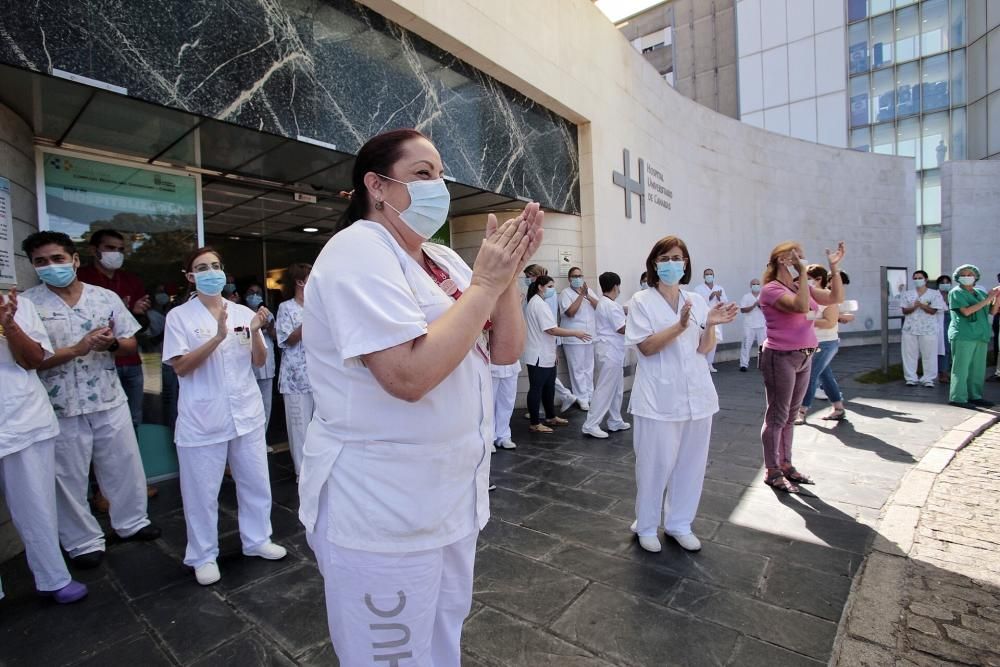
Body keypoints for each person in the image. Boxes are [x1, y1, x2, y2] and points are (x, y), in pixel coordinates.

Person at [298, 128, 543, 664]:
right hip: (383, 507)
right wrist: (485, 285)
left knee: (439, 640)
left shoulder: (445, 260)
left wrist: (505, 280)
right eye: (422, 174)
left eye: (440, 175)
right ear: (376, 185)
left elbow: (504, 353)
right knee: (391, 653)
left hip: (450, 498)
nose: (439, 187)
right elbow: (405, 376)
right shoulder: (358, 250)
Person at [21, 231, 160, 568]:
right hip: (60, 405)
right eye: (41, 262)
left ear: (75, 260)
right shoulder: (29, 305)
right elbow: (32, 359)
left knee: (123, 463)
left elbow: (130, 344)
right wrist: (78, 348)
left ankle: (132, 522)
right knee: (68, 477)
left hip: (108, 396)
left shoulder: (105, 298)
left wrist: (110, 345)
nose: (50, 266)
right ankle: (83, 542)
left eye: (57, 259)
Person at [162, 247, 287, 586]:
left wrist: (258, 330)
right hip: (204, 417)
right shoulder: (180, 318)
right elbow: (182, 367)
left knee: (256, 482)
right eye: (202, 268)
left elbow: (258, 362)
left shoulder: (242, 312)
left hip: (245, 412)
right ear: (190, 277)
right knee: (201, 492)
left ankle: (258, 540)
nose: (211, 272)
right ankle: (203, 555)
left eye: (216, 265)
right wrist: (217, 337)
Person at [626, 236, 737, 553]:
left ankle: (679, 523)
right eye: (665, 258)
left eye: (677, 258)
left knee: (691, 465)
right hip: (657, 399)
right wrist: (680, 325)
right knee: (653, 465)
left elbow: (703, 348)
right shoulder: (641, 301)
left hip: (698, 396)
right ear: (654, 264)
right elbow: (645, 347)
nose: (672, 264)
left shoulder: (698, 301)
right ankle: (646, 525)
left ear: (686, 263)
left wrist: (711, 324)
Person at [0, 289, 88, 604]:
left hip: (22, 418)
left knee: (35, 505)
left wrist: (9, 325)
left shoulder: (18, 305)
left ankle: (53, 578)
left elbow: (34, 360)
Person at [758, 240, 845, 494]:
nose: (801, 260)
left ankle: (786, 464)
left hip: (805, 354)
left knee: (791, 414)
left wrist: (834, 269)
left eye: (802, 256)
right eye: (796, 256)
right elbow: (800, 306)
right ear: (782, 260)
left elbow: (835, 297)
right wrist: (805, 274)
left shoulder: (800, 285)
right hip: (780, 356)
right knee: (777, 415)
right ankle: (772, 470)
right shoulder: (771, 290)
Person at [76, 229, 152, 430]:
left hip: (131, 361)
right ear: (94, 250)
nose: (116, 253)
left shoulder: (131, 281)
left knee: (133, 419)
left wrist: (135, 313)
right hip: (97, 363)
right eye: (110, 248)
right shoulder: (80, 280)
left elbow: (142, 326)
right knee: (103, 423)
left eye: (120, 249)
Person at [524, 275, 590, 432]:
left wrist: (553, 352)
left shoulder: (540, 303)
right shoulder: (538, 304)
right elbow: (551, 329)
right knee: (536, 388)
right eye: (550, 286)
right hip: (538, 355)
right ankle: (535, 423)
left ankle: (550, 417)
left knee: (549, 387)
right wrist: (575, 333)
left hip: (546, 353)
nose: (552, 290)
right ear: (540, 287)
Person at [276, 263, 314, 477]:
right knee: (299, 428)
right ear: (300, 281)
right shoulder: (286, 308)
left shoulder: (318, 305)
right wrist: (306, 322)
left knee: (319, 426)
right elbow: (286, 339)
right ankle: (302, 473)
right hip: (295, 379)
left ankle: (317, 469)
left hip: (317, 376)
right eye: (310, 277)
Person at [582, 272, 630, 439]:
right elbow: (621, 328)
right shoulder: (610, 305)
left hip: (610, 351)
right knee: (605, 389)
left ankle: (615, 420)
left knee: (616, 389)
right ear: (616, 286)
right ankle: (590, 424)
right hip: (610, 352)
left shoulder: (605, 302)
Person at [797, 265, 848, 423]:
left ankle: (801, 411)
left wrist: (807, 320)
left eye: (809, 278)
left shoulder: (827, 297)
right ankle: (838, 408)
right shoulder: (808, 297)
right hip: (813, 342)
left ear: (819, 279)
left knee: (810, 375)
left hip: (826, 343)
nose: (806, 282)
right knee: (826, 376)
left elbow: (830, 322)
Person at [946, 264, 999, 409]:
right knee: (961, 368)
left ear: (976, 277)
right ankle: (958, 397)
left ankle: (975, 396)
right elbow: (967, 312)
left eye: (970, 274)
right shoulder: (956, 292)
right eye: (964, 274)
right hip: (963, 335)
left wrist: (996, 297)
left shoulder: (979, 293)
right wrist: (989, 299)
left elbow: (993, 312)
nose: (967, 276)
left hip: (980, 334)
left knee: (978, 368)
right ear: (958, 277)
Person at [560, 266, 599, 410]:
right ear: (569, 279)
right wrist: (581, 296)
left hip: (590, 336)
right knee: (577, 368)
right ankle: (581, 397)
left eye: (580, 275)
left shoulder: (589, 292)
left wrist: (587, 295)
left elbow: (600, 307)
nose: (578, 278)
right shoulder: (565, 293)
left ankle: (590, 395)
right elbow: (570, 313)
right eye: (575, 276)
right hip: (574, 338)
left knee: (589, 368)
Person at [900, 270, 945, 388]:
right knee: (909, 354)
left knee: (929, 354)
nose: (917, 280)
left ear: (925, 279)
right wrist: (914, 306)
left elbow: (933, 311)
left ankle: (928, 378)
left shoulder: (935, 294)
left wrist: (922, 306)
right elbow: (904, 311)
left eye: (920, 278)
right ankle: (910, 378)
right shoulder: (907, 294)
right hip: (910, 328)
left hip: (928, 329)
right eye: (915, 278)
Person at [245, 283, 276, 437]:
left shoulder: (267, 313)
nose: (255, 296)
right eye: (251, 292)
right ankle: (252, 438)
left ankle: (262, 439)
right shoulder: (242, 314)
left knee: (266, 405)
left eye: (258, 293)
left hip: (267, 366)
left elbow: (275, 335)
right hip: (250, 368)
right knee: (251, 405)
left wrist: (268, 325)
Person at [693, 268, 727, 372]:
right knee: (702, 340)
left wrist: (719, 297)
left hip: (716, 318)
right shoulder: (698, 289)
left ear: (714, 275)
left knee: (714, 341)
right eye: (707, 274)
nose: (709, 276)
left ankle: (709, 363)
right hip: (703, 318)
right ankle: (701, 364)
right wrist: (710, 296)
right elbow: (697, 303)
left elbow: (725, 301)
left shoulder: (719, 288)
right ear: (703, 276)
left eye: (711, 274)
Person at [738, 278, 765, 372]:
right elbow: (742, 310)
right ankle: (743, 364)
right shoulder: (746, 297)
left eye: (757, 284)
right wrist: (754, 305)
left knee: (762, 346)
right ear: (750, 286)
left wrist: (760, 306)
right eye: (754, 284)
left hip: (761, 325)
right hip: (749, 325)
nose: (756, 286)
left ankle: (762, 364)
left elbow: (768, 310)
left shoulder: (763, 296)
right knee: (746, 345)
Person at [935, 274, 953, 383]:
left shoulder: (953, 294)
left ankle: (949, 371)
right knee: (944, 348)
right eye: (942, 283)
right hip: (940, 322)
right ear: (938, 285)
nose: (945, 285)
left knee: (951, 348)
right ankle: (943, 373)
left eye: (947, 283)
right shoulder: (935, 295)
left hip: (953, 322)